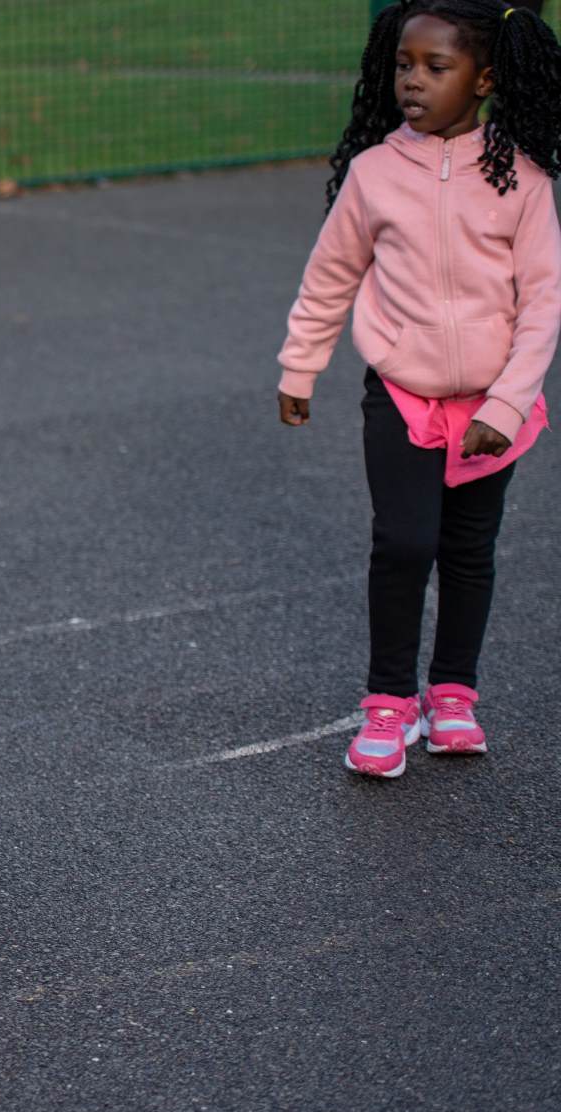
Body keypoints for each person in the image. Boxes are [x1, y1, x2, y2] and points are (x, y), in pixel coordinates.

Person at [276, 0, 560, 777]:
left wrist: (504, 406)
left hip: (494, 406)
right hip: (400, 393)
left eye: (437, 68)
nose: (413, 80)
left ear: (485, 79)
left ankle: (453, 694)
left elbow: (542, 304)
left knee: (469, 551)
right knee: (404, 544)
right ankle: (388, 703)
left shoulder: (523, 179)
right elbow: (330, 277)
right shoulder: (374, 175)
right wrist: (300, 365)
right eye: (405, 64)